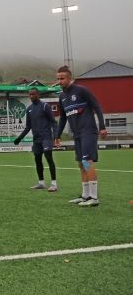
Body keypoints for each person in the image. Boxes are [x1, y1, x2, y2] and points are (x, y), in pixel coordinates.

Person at [54, 65, 107, 207]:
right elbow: (63, 118)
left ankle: (94, 198)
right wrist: (57, 136)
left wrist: (102, 126)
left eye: (62, 78)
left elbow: (97, 106)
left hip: (88, 131)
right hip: (76, 134)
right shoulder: (62, 97)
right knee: (80, 164)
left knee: (86, 162)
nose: (59, 81)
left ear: (69, 78)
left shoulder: (81, 90)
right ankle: (85, 196)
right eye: (58, 79)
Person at [14, 88, 59, 191]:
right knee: (37, 160)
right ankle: (41, 183)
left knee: (48, 156)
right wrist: (19, 138)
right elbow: (28, 126)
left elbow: (53, 121)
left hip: (46, 137)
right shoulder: (29, 108)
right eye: (30, 95)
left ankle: (54, 183)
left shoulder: (44, 106)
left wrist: (56, 135)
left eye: (33, 94)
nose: (31, 96)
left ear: (38, 94)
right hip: (36, 139)